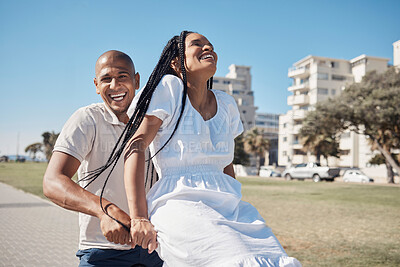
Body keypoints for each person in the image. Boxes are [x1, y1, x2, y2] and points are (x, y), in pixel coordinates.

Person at [90, 32, 302, 266]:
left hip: (229, 207)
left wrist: (233, 204)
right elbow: (136, 145)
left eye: (210, 45)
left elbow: (226, 165)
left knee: (273, 258)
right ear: (176, 62)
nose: (207, 47)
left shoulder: (227, 104)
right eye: (196, 44)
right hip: (180, 201)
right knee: (234, 260)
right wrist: (140, 217)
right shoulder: (169, 88)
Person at [43, 50, 163, 267]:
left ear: (137, 80)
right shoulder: (87, 119)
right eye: (106, 79)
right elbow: (52, 182)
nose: (114, 85)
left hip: (156, 250)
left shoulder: (155, 121)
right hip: (102, 252)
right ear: (97, 85)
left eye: (123, 76)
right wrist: (105, 210)